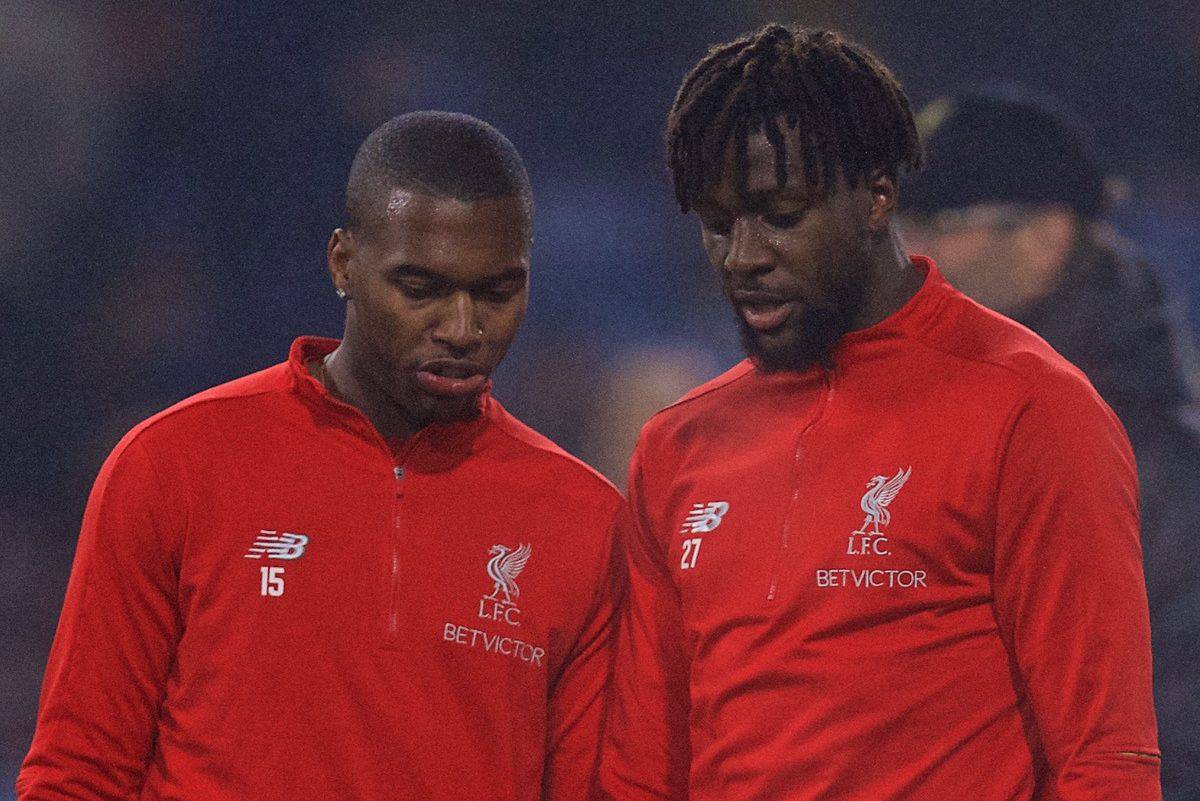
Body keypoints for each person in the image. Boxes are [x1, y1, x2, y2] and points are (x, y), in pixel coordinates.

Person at [599, 24, 1161, 801]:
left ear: (877, 193)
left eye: (781, 214)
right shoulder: (677, 444)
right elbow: (642, 771)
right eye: (718, 224)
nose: (743, 255)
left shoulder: (1034, 408)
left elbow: (1106, 758)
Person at [18, 111, 620, 801]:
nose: (461, 329)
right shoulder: (172, 465)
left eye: (496, 293)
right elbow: (78, 770)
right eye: (420, 289)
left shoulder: (586, 522)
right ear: (343, 262)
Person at [899, 88, 1200, 801]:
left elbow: (1167, 729)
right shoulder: (903, 405)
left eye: (938, 221)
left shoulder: (1142, 462)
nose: (908, 248)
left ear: (1043, 237)